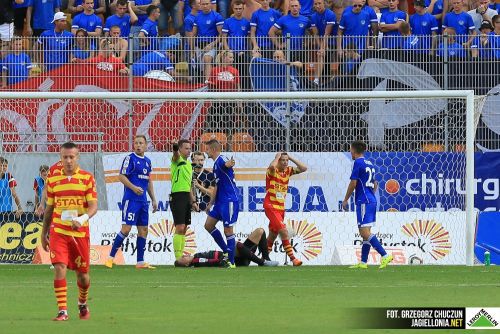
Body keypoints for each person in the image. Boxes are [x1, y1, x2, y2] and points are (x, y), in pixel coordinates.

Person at [40, 142, 98, 321]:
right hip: (59, 231)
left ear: (77, 157)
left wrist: (82, 219)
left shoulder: (87, 178)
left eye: (71, 157)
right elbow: (49, 209)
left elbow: (94, 206)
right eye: (65, 157)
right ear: (60, 158)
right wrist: (44, 233)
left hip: (79, 234)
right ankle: (62, 311)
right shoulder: (53, 179)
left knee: (83, 277)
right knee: (59, 267)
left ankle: (82, 302)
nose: (68, 160)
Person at [106, 135, 158, 269]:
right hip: (131, 200)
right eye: (136, 143)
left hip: (143, 202)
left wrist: (153, 199)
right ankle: (110, 258)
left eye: (141, 143)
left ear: (146, 145)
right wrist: (134, 188)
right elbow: (121, 176)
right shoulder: (130, 159)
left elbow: (149, 181)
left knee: (144, 230)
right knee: (126, 229)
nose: (138, 145)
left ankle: (140, 262)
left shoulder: (148, 161)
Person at [342, 140, 393, 269]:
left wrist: (345, 199)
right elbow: (375, 183)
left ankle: (385, 255)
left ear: (353, 150)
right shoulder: (369, 163)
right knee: (366, 232)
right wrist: (370, 194)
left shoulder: (357, 163)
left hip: (364, 201)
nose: (350, 152)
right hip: (371, 199)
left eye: (350, 149)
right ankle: (364, 262)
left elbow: (353, 183)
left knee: (364, 232)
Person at [264, 152, 307, 266]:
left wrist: (291, 157)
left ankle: (264, 258)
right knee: (283, 231)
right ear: (278, 161)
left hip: (280, 208)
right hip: (271, 206)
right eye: (283, 160)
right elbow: (272, 166)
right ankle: (293, 259)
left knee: (273, 234)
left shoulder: (288, 171)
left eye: (286, 160)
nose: (285, 162)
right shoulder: (272, 171)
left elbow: (304, 168)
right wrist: (277, 157)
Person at [203, 139, 239, 268]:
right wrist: (210, 203)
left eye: (207, 149)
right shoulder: (215, 165)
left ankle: (231, 261)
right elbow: (217, 187)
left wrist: (231, 163)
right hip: (220, 202)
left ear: (213, 149)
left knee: (228, 229)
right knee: (208, 225)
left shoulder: (221, 159)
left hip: (229, 200)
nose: (205, 151)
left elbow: (227, 164)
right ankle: (225, 251)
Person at [175, 228, 279, 267]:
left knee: (260, 231)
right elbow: (214, 261)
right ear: (187, 264)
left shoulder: (196, 257)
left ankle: (266, 259)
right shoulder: (197, 260)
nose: (185, 255)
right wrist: (226, 258)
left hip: (241, 256)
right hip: (236, 261)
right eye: (183, 258)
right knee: (234, 244)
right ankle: (262, 262)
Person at [170, 139, 198, 260]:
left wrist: (193, 201)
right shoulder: (177, 161)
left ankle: (180, 256)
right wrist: (175, 147)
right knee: (180, 227)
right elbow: (175, 155)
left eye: (190, 148)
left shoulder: (188, 165)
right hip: (177, 196)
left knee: (185, 228)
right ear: (180, 149)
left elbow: (189, 186)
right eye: (186, 148)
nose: (188, 151)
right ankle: (178, 258)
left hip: (186, 196)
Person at [190, 0, 224, 83]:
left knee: (207, 58)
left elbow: (222, 34)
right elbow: (193, 35)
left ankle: (207, 83)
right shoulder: (197, 17)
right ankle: (199, 84)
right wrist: (192, 51)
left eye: (207, 4)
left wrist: (212, 45)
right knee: (199, 66)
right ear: (200, 5)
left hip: (212, 44)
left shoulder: (217, 16)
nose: (205, 6)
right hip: (199, 45)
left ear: (211, 4)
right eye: (203, 4)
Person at [310, 0, 337, 85]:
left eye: (319, 3)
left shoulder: (330, 14)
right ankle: (316, 80)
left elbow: (327, 33)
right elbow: (316, 34)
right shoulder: (313, 16)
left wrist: (322, 48)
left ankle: (334, 78)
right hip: (322, 41)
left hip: (333, 41)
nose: (318, 6)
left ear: (324, 4)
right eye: (316, 4)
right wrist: (321, 48)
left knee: (322, 53)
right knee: (320, 54)